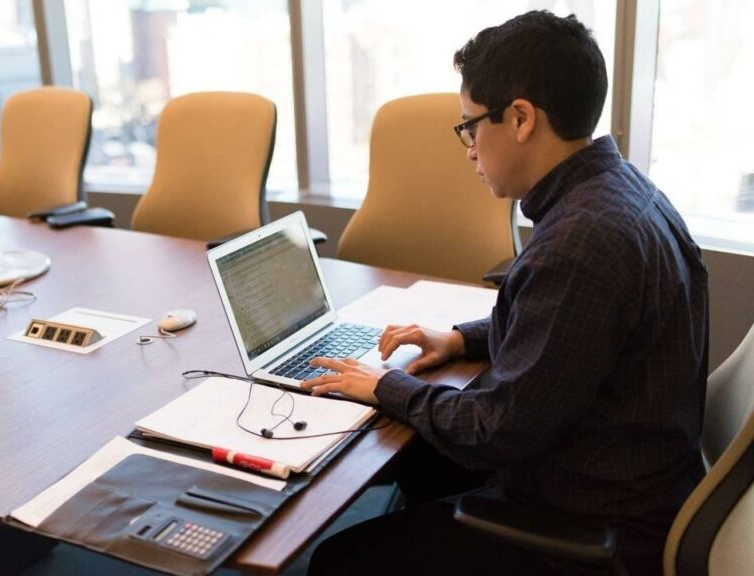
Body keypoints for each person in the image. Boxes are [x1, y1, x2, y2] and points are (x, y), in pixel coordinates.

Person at [303, 10, 708, 576]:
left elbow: (493, 431)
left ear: (520, 118)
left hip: (591, 525)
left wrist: (385, 386)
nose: (467, 147)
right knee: (416, 463)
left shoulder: (579, 243)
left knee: (337, 559)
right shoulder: (620, 191)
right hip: (627, 475)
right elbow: (570, 333)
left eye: (470, 125)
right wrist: (461, 340)